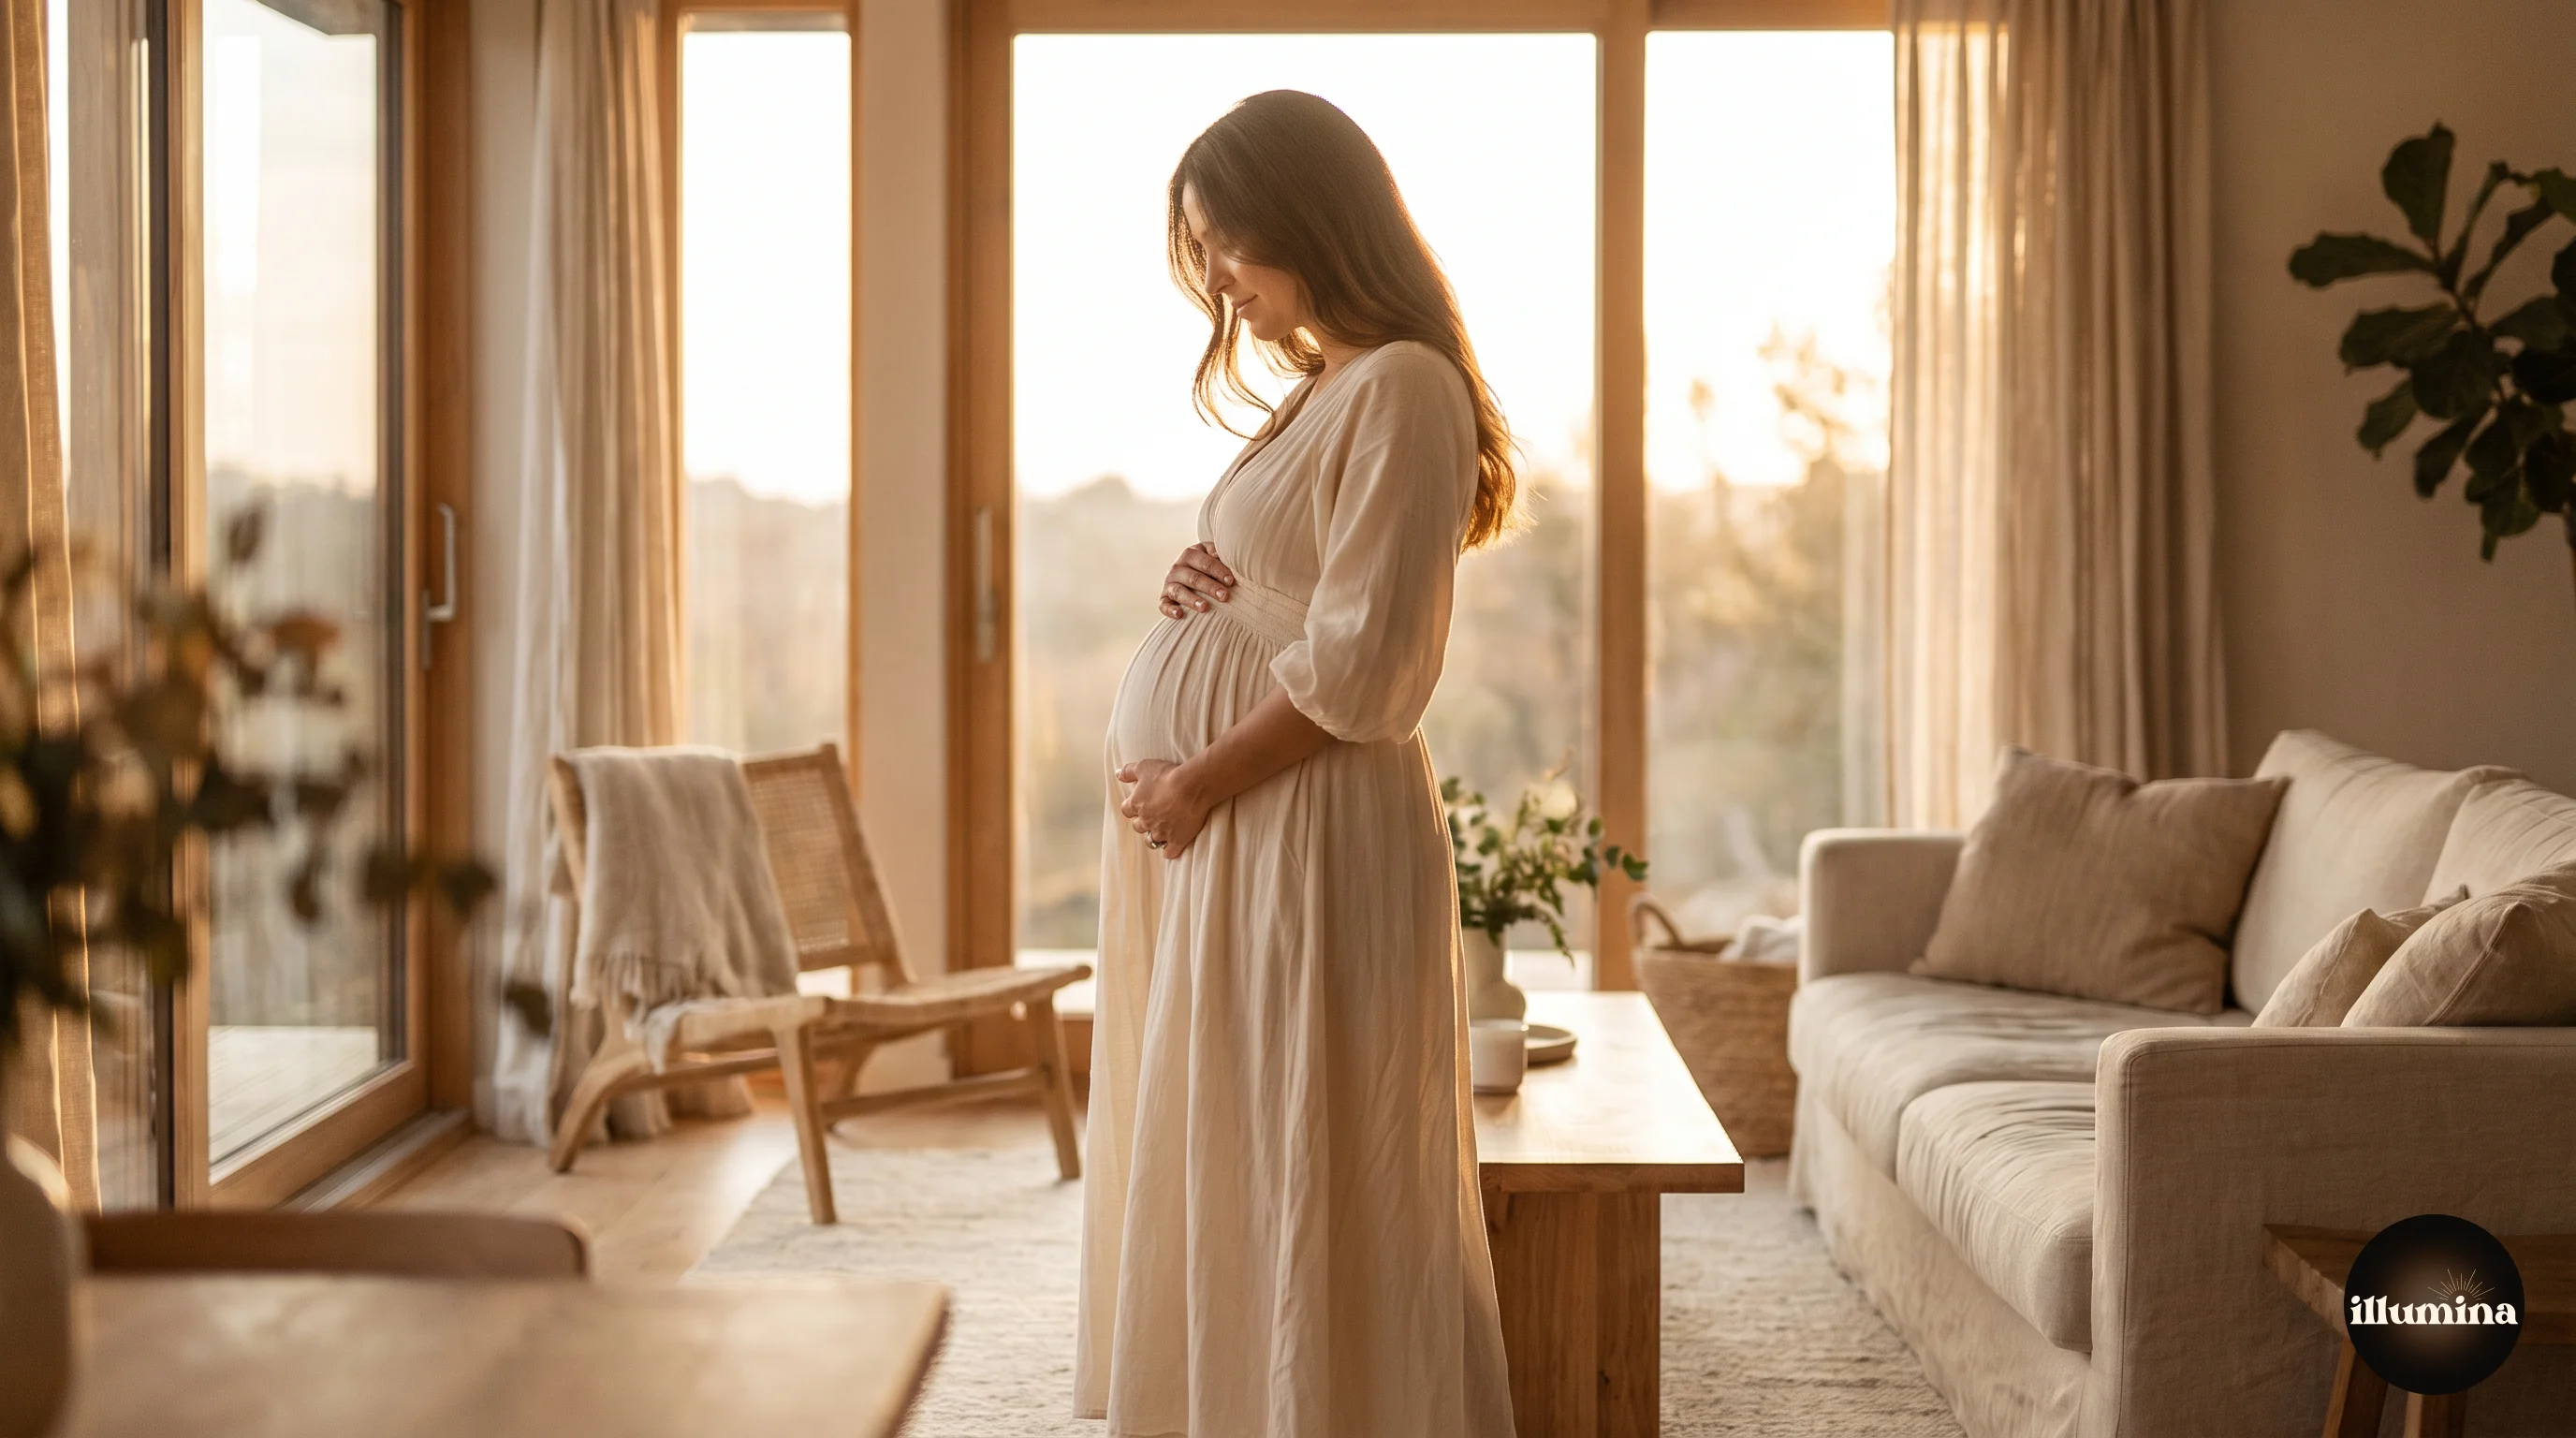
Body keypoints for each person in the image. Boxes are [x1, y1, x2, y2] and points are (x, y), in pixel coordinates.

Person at [1074, 89, 1519, 1438]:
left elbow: (1368, 665)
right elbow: (1309, 594)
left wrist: (1198, 779)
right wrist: (1218, 582)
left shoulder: (1406, 386)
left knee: (1305, 1132)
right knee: (1238, 1123)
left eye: (1227, 243)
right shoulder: (1333, 384)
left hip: (1293, 813)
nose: (1214, 278)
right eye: (1200, 249)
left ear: (1309, 218)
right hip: (1247, 817)